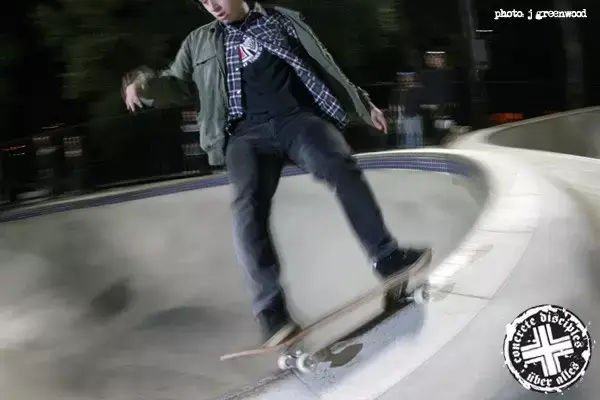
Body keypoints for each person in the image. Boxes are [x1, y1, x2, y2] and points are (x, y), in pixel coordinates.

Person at [123, 0, 432, 347]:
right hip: (243, 134)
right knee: (247, 205)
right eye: (204, 2)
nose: (212, 6)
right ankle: (270, 312)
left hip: (297, 120)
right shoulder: (200, 41)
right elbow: (174, 82)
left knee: (339, 163)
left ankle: (387, 258)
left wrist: (362, 103)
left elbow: (325, 65)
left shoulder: (282, 20)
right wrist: (143, 85)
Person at [388, 72, 424, 148]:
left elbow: (422, 103)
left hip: (413, 117)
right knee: (401, 138)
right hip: (399, 118)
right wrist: (392, 117)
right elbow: (392, 105)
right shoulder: (395, 91)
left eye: (409, 77)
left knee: (413, 138)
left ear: (413, 78)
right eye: (403, 77)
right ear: (399, 79)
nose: (406, 79)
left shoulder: (418, 89)